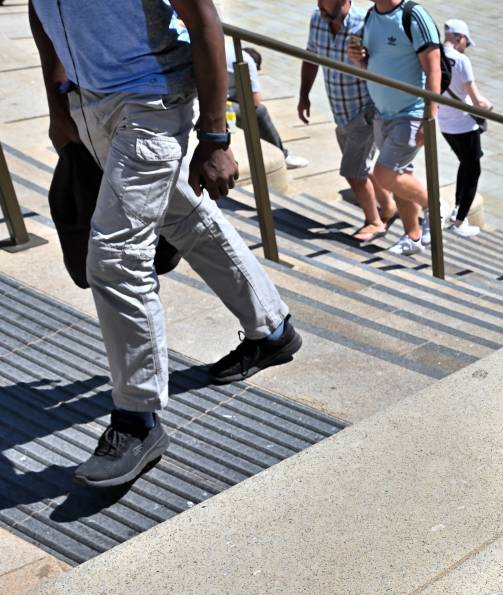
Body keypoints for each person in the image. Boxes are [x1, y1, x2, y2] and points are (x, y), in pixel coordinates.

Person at [29, 0, 300, 487]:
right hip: (87, 102)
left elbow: (202, 19)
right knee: (187, 217)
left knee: (115, 259)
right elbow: (40, 11)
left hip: (151, 103)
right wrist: (57, 105)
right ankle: (273, 329)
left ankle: (137, 419)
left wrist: (216, 137)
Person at [349, 0, 442, 257]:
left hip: (410, 113)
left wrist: (429, 117)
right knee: (402, 175)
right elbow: (374, 63)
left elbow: (434, 70)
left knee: (384, 174)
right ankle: (412, 236)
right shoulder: (371, 16)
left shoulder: (413, 15)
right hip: (383, 113)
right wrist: (359, 60)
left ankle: (436, 208)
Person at [299, 0, 396, 244]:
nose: (319, 3)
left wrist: (367, 59)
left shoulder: (366, 23)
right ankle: (389, 206)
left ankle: (374, 221)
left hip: (366, 110)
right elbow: (311, 57)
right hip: (340, 111)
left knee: (353, 171)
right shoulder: (317, 19)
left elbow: (387, 65)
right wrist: (304, 95)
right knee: (364, 166)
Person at [439, 18, 492, 237]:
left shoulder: (434, 54)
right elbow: (477, 100)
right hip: (463, 124)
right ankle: (459, 222)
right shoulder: (461, 61)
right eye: (466, 43)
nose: (466, 47)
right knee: (474, 171)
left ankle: (457, 208)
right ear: (460, 38)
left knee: (466, 161)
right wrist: (489, 106)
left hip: (443, 123)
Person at [225, 44, 309, 169]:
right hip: (208, 106)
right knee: (259, 111)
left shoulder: (229, 49)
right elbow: (255, 101)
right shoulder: (246, 60)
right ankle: (283, 156)